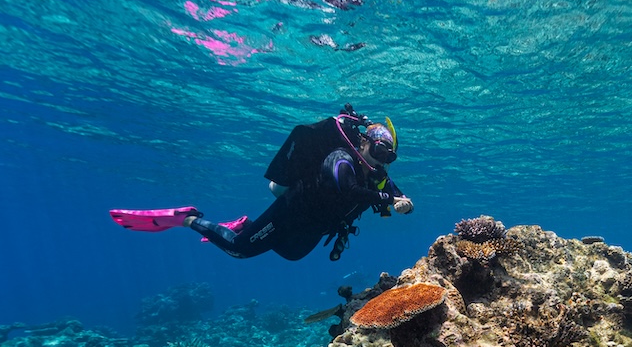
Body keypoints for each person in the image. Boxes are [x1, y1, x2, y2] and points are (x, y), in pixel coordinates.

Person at [110, 105, 413, 262]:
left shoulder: (375, 173)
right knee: (239, 251)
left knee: (292, 255)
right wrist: (387, 199)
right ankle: (189, 219)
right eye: (379, 151)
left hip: (312, 227)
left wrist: (403, 201)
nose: (382, 161)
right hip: (290, 215)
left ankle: (245, 223)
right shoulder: (341, 158)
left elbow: (392, 190)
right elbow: (348, 190)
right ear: (363, 142)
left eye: (389, 157)